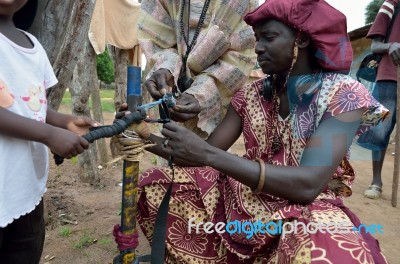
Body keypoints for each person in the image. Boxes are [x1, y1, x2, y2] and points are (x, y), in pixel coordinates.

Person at [129, 0, 390, 262]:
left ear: (300, 39)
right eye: (257, 38)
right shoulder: (249, 95)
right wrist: (137, 130)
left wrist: (206, 154)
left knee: (333, 254)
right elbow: (194, 155)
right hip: (242, 201)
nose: (258, 48)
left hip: (305, 208)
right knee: (157, 184)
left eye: (269, 37)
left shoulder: (344, 95)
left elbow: (309, 185)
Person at [0, 1, 98, 263]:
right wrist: (48, 135)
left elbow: (33, 107)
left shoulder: (32, 44)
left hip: (25, 192)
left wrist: (64, 122)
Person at [138, 0, 258, 138]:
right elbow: (155, 34)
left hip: (214, 120)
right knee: (170, 145)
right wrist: (164, 67)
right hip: (171, 108)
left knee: (207, 153)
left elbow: (241, 56)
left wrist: (201, 94)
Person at [357, 0, 400, 200]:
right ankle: (376, 181)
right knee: (377, 130)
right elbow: (375, 45)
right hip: (388, 78)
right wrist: (391, 45)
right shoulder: (391, 5)